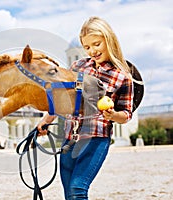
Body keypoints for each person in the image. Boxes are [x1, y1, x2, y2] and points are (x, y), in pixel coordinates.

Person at [37, 16, 133, 199]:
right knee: (69, 193)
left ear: (109, 40)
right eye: (87, 47)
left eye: (96, 44)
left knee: (77, 188)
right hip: (70, 138)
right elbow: (62, 100)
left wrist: (113, 115)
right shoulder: (78, 67)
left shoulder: (122, 76)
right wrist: (45, 121)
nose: (92, 51)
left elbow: (126, 114)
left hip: (96, 138)